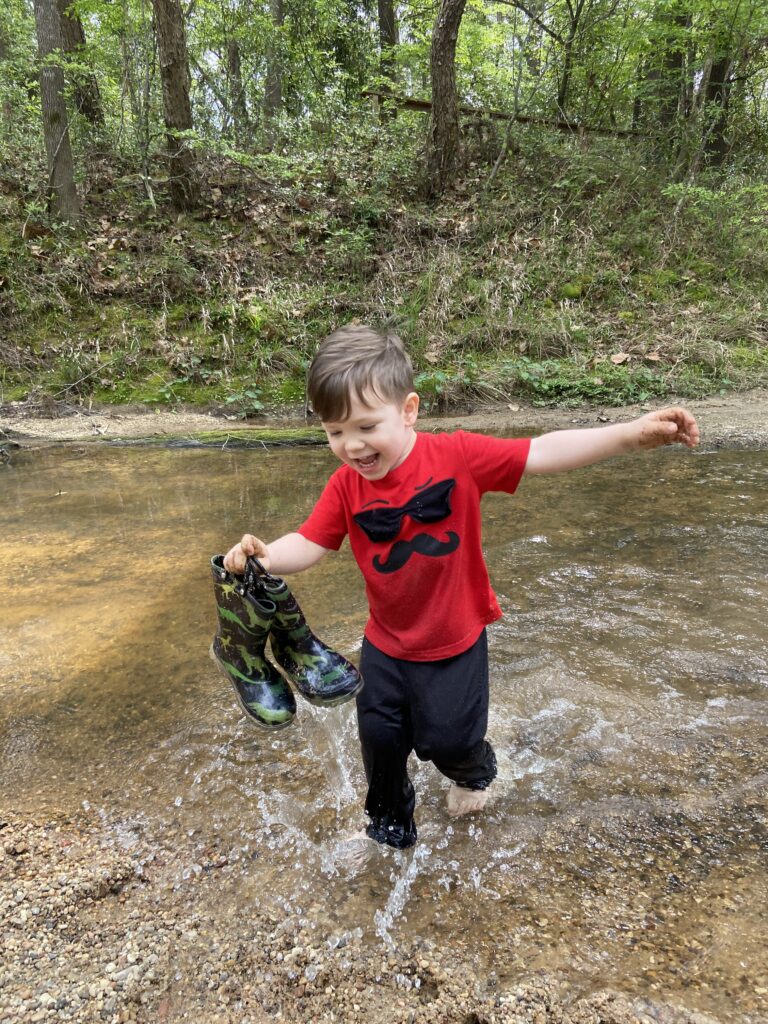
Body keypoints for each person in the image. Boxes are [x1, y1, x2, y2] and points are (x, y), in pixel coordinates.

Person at [223, 324, 699, 853]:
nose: (351, 445)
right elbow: (311, 543)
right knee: (380, 742)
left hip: (455, 642)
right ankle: (388, 826)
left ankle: (474, 772)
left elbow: (540, 452)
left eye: (365, 426)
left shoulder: (458, 456)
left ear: (408, 410)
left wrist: (628, 436)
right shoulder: (346, 486)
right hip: (387, 644)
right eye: (335, 432)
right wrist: (266, 556)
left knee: (447, 740)